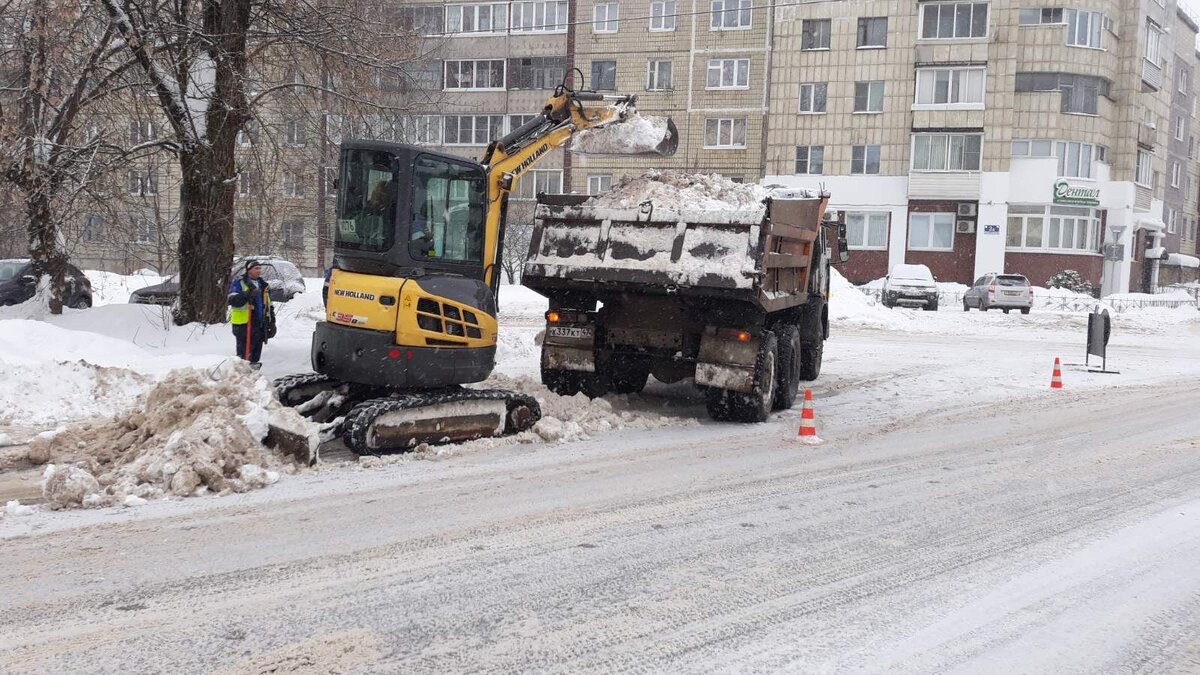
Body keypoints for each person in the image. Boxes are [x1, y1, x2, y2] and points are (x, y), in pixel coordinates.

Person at [228, 260, 274, 369]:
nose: (259, 271)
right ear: (249, 270)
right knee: (244, 355)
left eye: (259, 268)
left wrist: (272, 322)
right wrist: (246, 295)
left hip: (259, 324)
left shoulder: (263, 285)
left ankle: (253, 375)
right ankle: (241, 376)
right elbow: (232, 300)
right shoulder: (239, 283)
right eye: (256, 268)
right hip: (243, 324)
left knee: (256, 353)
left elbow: (268, 304)